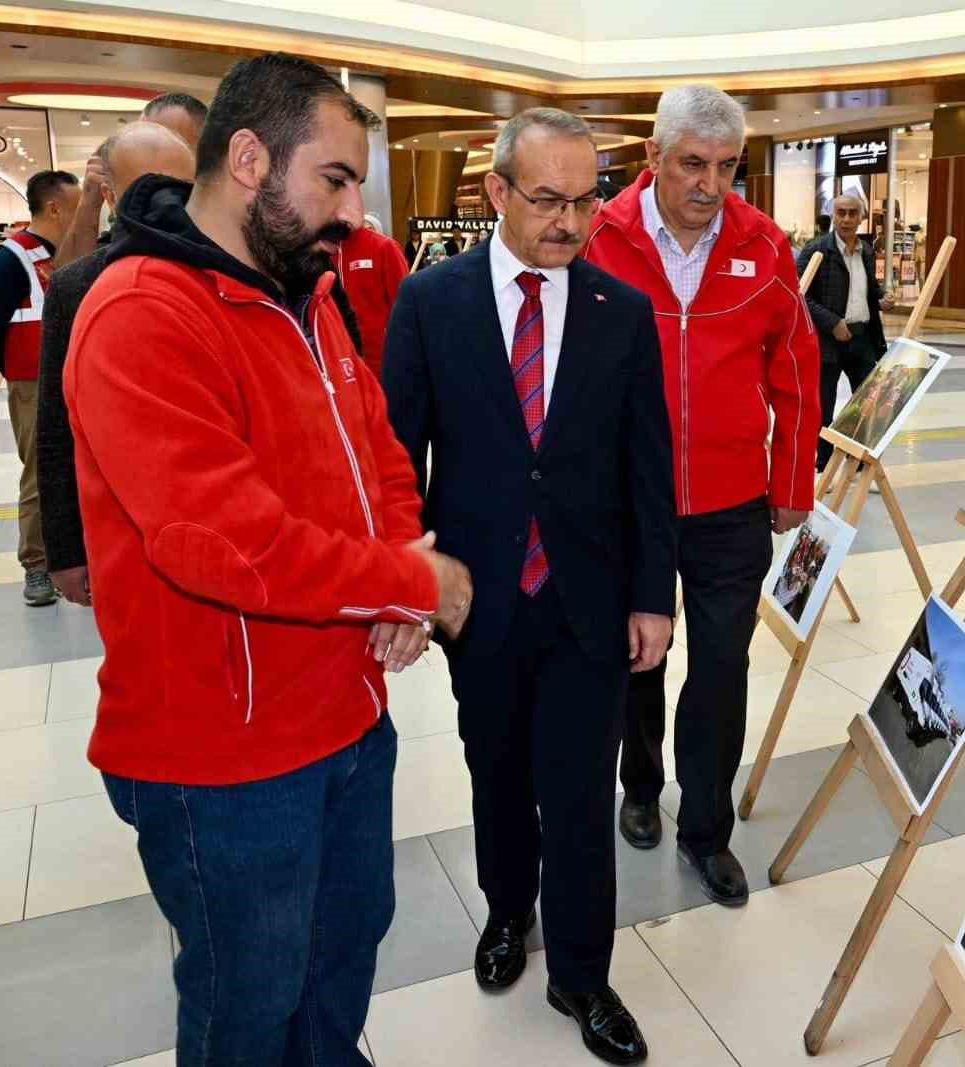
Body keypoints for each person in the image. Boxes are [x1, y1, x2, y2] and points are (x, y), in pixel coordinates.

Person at [64, 53, 473, 1065]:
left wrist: (391, 565)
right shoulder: (141, 314)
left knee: (343, 951)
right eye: (333, 178)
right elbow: (225, 542)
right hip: (223, 755)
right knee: (248, 997)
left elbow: (377, 449)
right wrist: (417, 579)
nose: (348, 210)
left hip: (344, 711)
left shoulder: (306, 291)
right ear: (249, 158)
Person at [384, 107, 673, 1065]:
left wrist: (652, 597)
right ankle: (508, 912)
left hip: (589, 600)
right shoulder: (433, 305)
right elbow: (396, 460)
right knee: (497, 772)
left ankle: (583, 972)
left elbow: (647, 469)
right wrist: (406, 581)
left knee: (583, 791)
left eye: (585, 198)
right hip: (485, 600)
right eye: (545, 198)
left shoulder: (621, 313)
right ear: (495, 192)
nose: (569, 220)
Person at [584, 83, 820, 907]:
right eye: (692, 163)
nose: (710, 185)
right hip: (628, 500)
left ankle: (707, 828)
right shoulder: (600, 237)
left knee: (722, 664)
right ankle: (641, 786)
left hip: (730, 501)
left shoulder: (764, 247)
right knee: (636, 657)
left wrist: (794, 480)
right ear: (654, 158)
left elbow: (795, 368)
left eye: (726, 167)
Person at [37, 122, 196, 607]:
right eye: (148, 188)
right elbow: (54, 426)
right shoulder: (77, 286)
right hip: (121, 525)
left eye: (179, 189)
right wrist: (64, 549)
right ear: (111, 195)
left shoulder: (227, 270)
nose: (166, 204)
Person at [0, 168, 80, 606]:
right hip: (36, 382)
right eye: (78, 206)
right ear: (55, 207)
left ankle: (75, 557)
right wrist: (21, 375)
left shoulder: (71, 252)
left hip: (76, 377)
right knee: (41, 474)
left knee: (81, 469)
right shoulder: (11, 259)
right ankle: (36, 566)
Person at [798, 193, 896, 469]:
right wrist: (832, 322)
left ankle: (861, 464)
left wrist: (882, 298)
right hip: (827, 342)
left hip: (862, 338)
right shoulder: (816, 250)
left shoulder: (865, 250)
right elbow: (799, 295)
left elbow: (869, 290)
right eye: (841, 213)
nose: (846, 219)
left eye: (853, 213)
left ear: (862, 217)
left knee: (868, 405)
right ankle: (824, 464)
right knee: (824, 407)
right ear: (833, 215)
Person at [56, 92, 209, 268]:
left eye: (174, 143)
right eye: (144, 138)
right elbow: (66, 286)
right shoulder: (126, 230)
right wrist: (89, 203)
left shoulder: (228, 234)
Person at [338, 212, 410, 378]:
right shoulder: (324, 253)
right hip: (341, 359)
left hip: (381, 358)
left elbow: (404, 305)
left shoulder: (383, 247)